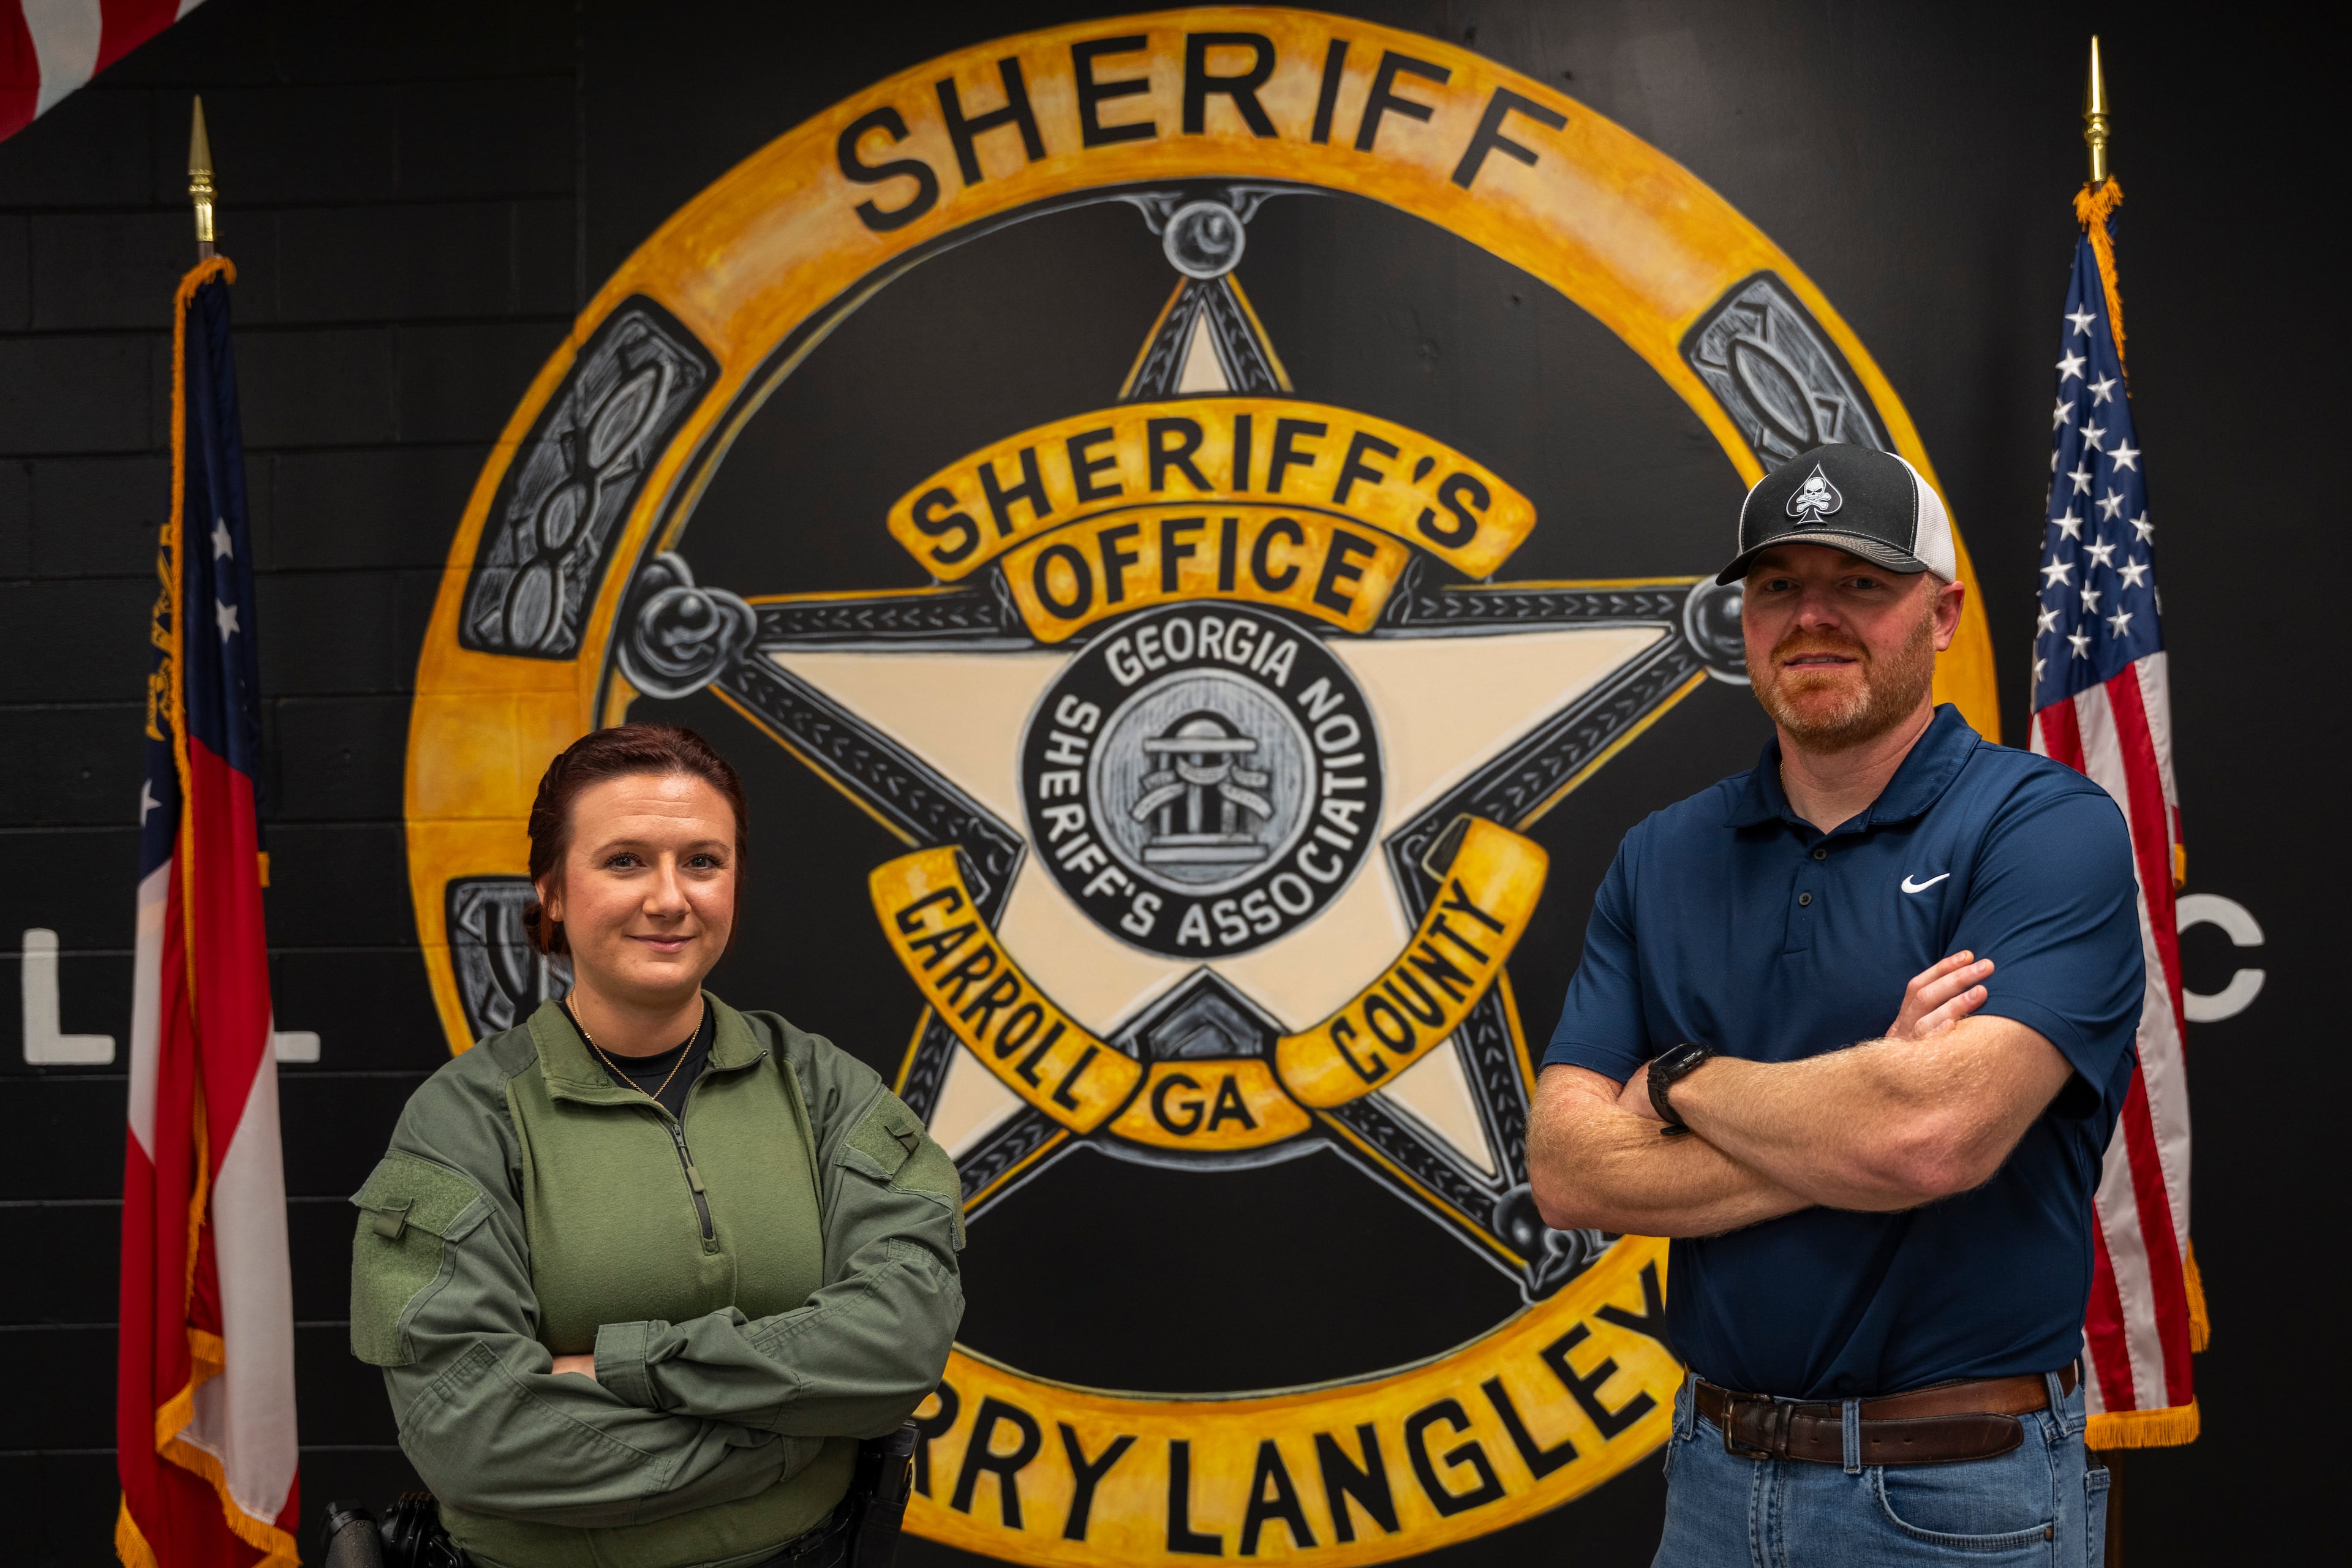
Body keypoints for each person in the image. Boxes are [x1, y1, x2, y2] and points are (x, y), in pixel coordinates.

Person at [1528, 443, 2142, 1565]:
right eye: (1778, 587)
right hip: (1710, 1480)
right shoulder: (1662, 854)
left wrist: (1681, 1081)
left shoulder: (2045, 828)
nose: (1813, 617)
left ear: (1943, 615)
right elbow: (1569, 1171)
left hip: (1958, 1498)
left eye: (1860, 582)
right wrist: (1861, 1115)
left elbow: (1929, 1137)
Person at [350, 724, 964, 1568]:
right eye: (626, 861)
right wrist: (799, 1438)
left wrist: (627, 1366)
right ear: (552, 891)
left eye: (703, 862)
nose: (670, 898)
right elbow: (474, 1438)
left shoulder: (823, 1088)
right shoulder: (463, 1123)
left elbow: (901, 1342)